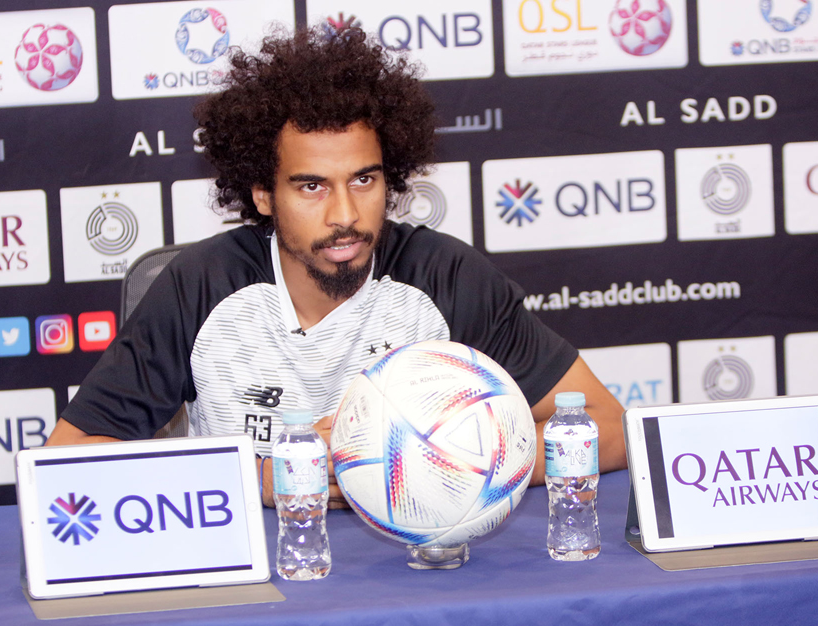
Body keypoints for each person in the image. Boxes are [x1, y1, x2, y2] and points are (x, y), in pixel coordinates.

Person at [46, 25, 626, 507]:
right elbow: (67, 458)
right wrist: (263, 482)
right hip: (262, 572)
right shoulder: (203, 286)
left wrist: (439, 464)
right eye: (311, 186)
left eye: (364, 180)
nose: (345, 214)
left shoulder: (444, 278)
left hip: (416, 572)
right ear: (263, 195)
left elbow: (609, 428)